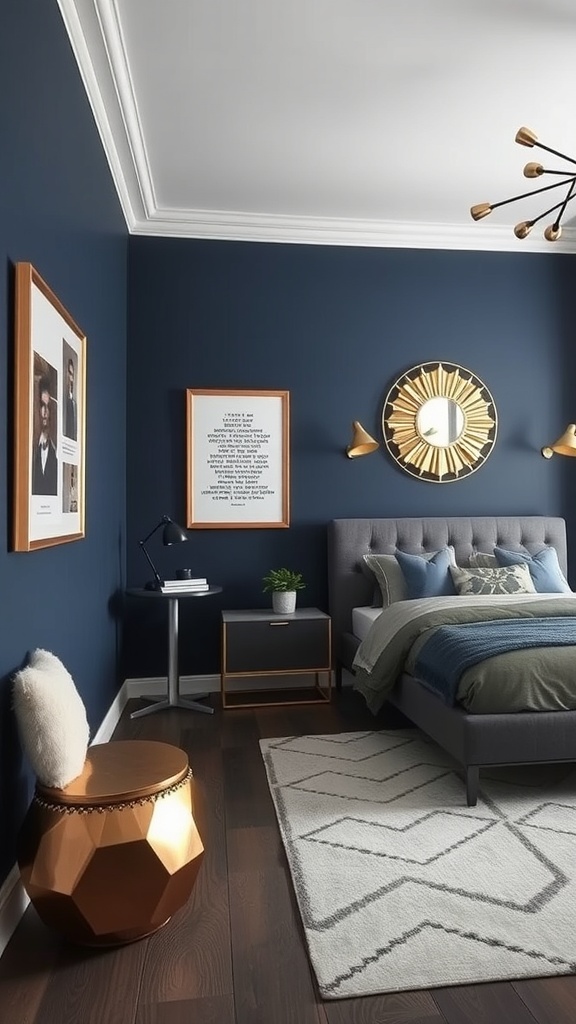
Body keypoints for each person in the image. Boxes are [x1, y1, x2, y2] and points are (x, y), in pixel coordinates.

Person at [31, 375, 58, 495]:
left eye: (48, 407)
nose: (45, 411)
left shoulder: (56, 451)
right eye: (42, 405)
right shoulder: (32, 449)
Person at [64, 357, 77, 440]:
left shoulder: (74, 403)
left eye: (72, 374)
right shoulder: (63, 400)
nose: (70, 378)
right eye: (69, 373)